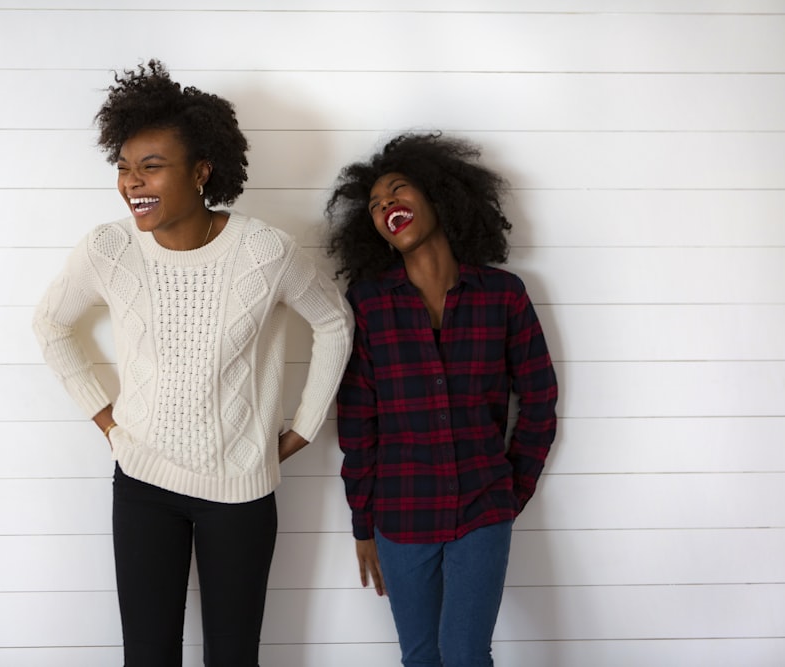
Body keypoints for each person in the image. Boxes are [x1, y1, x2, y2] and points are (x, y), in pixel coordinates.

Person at [33, 59, 353, 667]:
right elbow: (50, 323)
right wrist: (105, 420)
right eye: (124, 168)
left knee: (233, 658)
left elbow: (335, 322)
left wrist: (304, 427)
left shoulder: (265, 252)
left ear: (202, 171)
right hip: (143, 483)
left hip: (241, 491)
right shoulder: (109, 248)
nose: (133, 183)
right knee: (148, 657)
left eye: (151, 166)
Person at [324, 132, 558, 667]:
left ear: (438, 196)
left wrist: (510, 491)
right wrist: (364, 524)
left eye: (398, 191)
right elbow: (358, 425)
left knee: (466, 654)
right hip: (401, 516)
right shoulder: (368, 306)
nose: (386, 206)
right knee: (421, 657)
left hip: (483, 507)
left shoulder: (504, 295)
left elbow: (540, 399)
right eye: (377, 205)